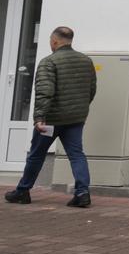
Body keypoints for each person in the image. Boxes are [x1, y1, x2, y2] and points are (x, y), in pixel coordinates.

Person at [5, 27, 97, 208]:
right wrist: (80, 109)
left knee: (36, 155)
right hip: (75, 119)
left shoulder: (49, 62)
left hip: (51, 120)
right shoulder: (86, 61)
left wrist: (39, 118)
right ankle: (82, 193)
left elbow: (45, 92)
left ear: (54, 41)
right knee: (77, 155)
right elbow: (91, 90)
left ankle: (22, 191)